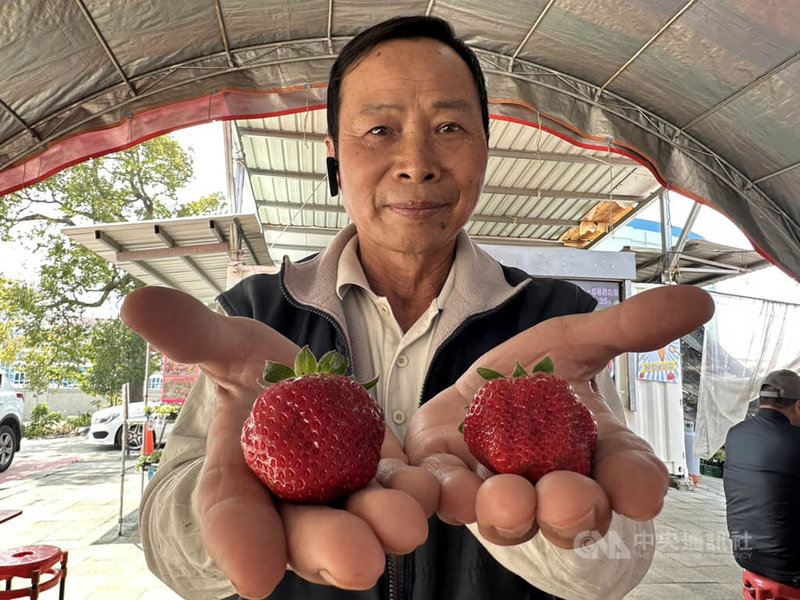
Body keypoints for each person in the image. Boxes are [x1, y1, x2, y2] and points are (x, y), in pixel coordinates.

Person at [121, 15, 714, 600]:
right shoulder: (253, 319)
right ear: (333, 156)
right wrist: (237, 502)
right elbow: (166, 548)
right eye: (379, 130)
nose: (417, 161)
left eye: (450, 127)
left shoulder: (558, 323)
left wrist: (509, 509)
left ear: (486, 147)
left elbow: (620, 562)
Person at [723, 369, 800, 589]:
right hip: (790, 566)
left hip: (745, 554)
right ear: (798, 406)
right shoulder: (795, 440)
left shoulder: (735, 435)